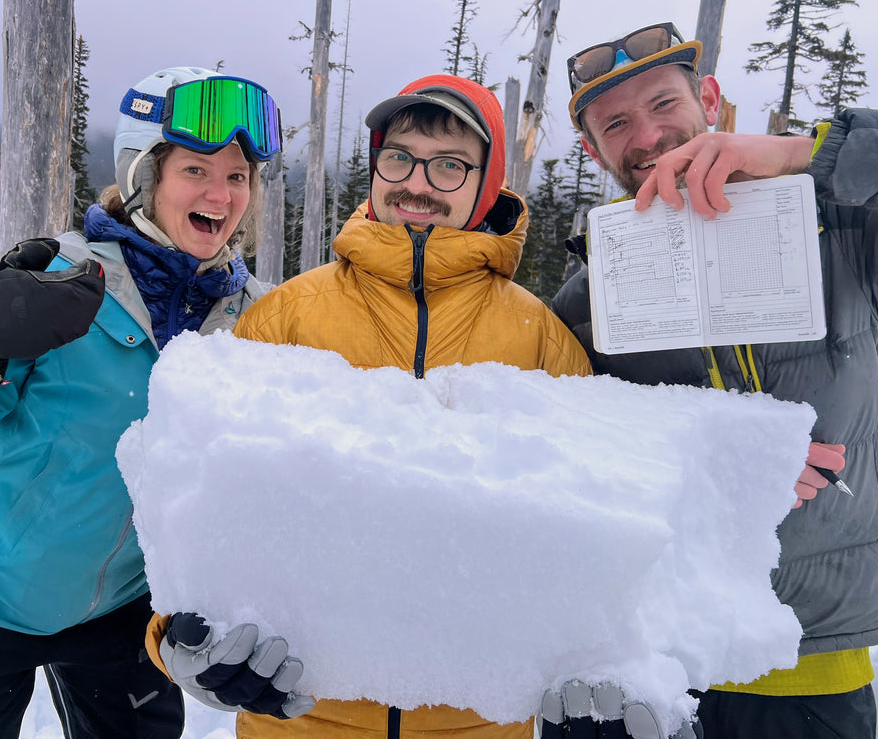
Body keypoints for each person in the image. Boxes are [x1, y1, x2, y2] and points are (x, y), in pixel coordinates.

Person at [144, 75, 690, 739]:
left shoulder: (540, 336)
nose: (417, 182)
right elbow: (199, 503)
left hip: (484, 725)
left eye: (450, 165)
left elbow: (602, 523)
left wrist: (617, 672)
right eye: (399, 157)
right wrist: (180, 639)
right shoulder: (285, 315)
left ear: (486, 184)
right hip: (302, 720)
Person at [0, 65, 281, 738]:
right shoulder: (61, 280)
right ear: (142, 176)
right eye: (196, 171)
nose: (222, 193)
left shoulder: (261, 317)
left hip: (121, 609)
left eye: (238, 176)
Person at [550, 21, 878, 738]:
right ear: (593, 151)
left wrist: (802, 154)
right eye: (615, 123)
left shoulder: (843, 233)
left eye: (663, 103)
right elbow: (561, 454)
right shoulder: (590, 297)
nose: (646, 135)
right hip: (650, 662)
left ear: (709, 97)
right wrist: (717, 454)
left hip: (812, 662)